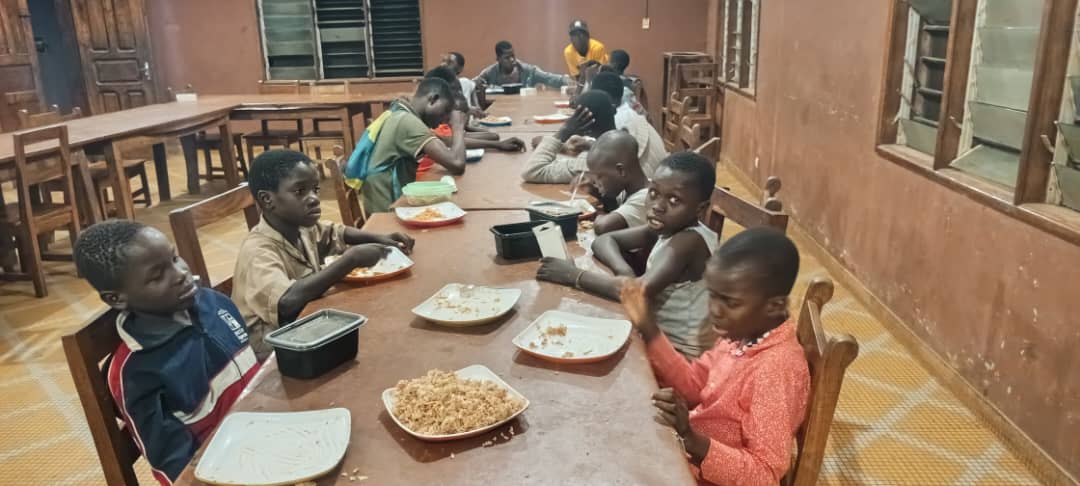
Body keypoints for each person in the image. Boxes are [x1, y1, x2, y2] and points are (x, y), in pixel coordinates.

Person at [74, 220, 261, 485]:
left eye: (175, 258)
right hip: (221, 472)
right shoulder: (135, 371)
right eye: (157, 276)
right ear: (116, 298)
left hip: (264, 434)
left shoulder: (214, 303)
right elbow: (172, 463)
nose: (180, 274)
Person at [621, 227, 809, 485]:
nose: (714, 311)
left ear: (774, 306)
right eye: (712, 295)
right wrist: (648, 327)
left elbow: (765, 475)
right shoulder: (744, 333)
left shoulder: (775, 370)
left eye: (730, 302)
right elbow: (693, 387)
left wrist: (692, 439)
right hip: (689, 449)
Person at [233, 149, 415, 359]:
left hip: (306, 330)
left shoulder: (299, 226)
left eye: (315, 189)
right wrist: (351, 259)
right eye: (300, 191)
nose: (314, 199)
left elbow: (334, 232)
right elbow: (286, 302)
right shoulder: (258, 251)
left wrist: (378, 238)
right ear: (267, 200)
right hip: (274, 354)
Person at [537, 152, 719, 357]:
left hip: (681, 356)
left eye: (674, 199)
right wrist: (623, 270)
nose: (658, 206)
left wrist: (573, 275)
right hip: (657, 336)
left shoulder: (689, 241)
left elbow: (637, 292)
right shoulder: (667, 227)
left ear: (700, 209)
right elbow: (604, 240)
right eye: (653, 193)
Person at [343, 77, 467, 213]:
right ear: (433, 99)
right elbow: (456, 164)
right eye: (445, 111)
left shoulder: (400, 112)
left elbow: (446, 144)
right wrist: (458, 126)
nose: (445, 119)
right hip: (387, 211)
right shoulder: (408, 122)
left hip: (388, 202)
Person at [521, 90, 615, 184]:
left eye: (574, 116)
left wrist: (564, 132)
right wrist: (590, 145)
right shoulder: (622, 143)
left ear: (584, 124)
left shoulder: (590, 162)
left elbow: (532, 171)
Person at [589, 72, 665, 177]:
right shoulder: (626, 112)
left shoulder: (617, 120)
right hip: (656, 178)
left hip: (648, 184)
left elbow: (606, 166)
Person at [586, 130, 650, 235]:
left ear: (621, 171)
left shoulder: (645, 198)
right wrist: (594, 190)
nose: (597, 182)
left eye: (600, 176)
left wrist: (599, 215)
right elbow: (613, 203)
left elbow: (602, 227)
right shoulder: (628, 189)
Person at [476, 40, 569, 88]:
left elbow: (549, 78)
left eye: (513, 56)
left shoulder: (528, 71)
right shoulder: (490, 73)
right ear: (498, 59)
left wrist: (567, 81)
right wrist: (478, 84)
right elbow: (472, 83)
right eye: (507, 58)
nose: (512, 59)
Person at [440, 51, 484, 117]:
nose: (445, 64)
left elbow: (478, 108)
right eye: (443, 61)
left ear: (460, 69)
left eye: (450, 62)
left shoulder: (466, 83)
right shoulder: (436, 83)